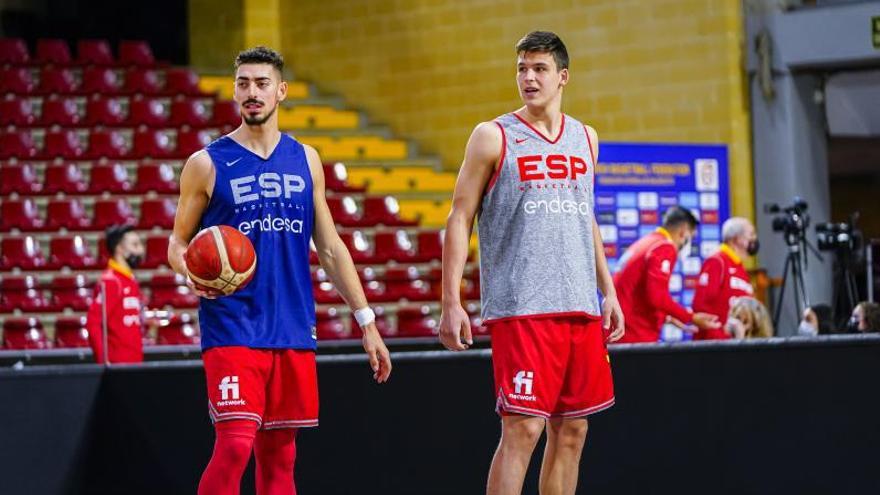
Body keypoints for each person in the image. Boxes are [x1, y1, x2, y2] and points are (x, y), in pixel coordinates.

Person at [167, 46, 392, 495]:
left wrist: (366, 320)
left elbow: (329, 246)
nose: (252, 92)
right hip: (232, 325)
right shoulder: (206, 163)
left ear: (281, 91)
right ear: (234, 91)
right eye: (244, 83)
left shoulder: (306, 159)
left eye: (262, 83)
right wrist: (191, 272)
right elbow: (177, 243)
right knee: (233, 445)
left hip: (291, 325)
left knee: (280, 455)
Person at [439, 31, 624, 495]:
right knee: (522, 430)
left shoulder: (587, 138)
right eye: (522, 68)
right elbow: (459, 217)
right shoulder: (492, 136)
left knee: (573, 431)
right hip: (523, 306)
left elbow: (587, 217)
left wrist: (609, 290)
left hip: (579, 303)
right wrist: (451, 302)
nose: (528, 77)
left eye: (539, 69)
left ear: (562, 77)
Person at [613, 206, 721, 343]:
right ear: (683, 232)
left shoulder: (647, 242)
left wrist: (667, 317)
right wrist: (691, 317)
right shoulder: (664, 247)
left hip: (621, 330)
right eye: (691, 238)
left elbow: (638, 292)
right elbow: (657, 297)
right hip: (634, 334)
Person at [86, 224, 145, 364]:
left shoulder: (129, 279)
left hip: (134, 362)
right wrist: (103, 360)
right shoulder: (111, 281)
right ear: (119, 249)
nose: (141, 250)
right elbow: (93, 323)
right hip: (118, 366)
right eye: (135, 245)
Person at [691, 217, 758, 340]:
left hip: (735, 343)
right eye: (751, 234)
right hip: (715, 346)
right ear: (737, 238)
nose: (754, 239)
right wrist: (719, 336)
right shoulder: (717, 261)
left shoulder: (739, 267)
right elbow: (700, 305)